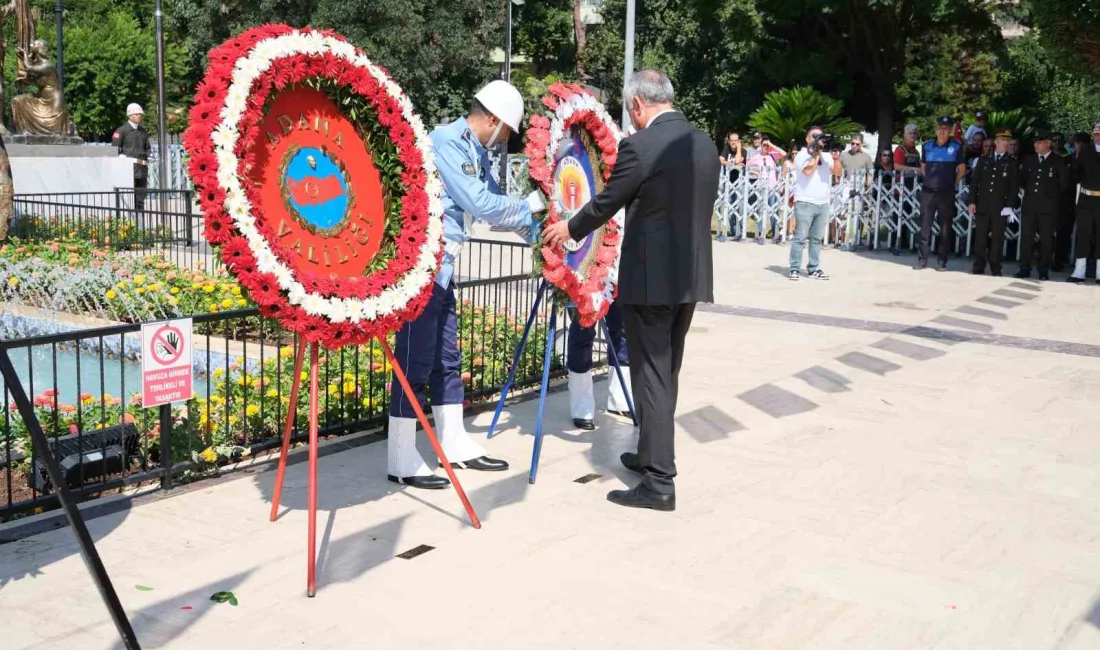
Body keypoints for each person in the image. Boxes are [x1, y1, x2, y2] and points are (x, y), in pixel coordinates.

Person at [543, 69, 718, 512]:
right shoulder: (704, 143)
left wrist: (569, 227)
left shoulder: (640, 145)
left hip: (651, 281)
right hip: (689, 279)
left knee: (651, 377)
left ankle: (659, 483)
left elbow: (606, 202)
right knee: (666, 374)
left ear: (638, 105)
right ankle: (648, 454)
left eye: (631, 111)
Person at [387, 80, 545, 489]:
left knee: (446, 356)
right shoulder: (445, 141)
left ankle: (453, 442)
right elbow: (479, 201)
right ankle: (401, 456)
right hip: (421, 268)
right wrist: (527, 205)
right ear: (492, 119)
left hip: (444, 267)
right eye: (506, 131)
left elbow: (499, 207)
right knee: (414, 360)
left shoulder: (476, 150)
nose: (505, 140)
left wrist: (546, 235)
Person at [567, 303, 632, 430]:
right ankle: (581, 407)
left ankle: (619, 401)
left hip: (615, 284)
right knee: (582, 333)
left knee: (622, 329)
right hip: (584, 285)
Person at [914, 116, 967, 271]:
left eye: (946, 128)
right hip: (928, 192)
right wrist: (930, 179)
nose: (943, 131)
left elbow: (962, 170)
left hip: (946, 193)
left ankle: (942, 261)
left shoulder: (956, 147)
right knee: (924, 226)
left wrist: (951, 183)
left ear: (950, 130)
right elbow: (923, 167)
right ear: (937, 129)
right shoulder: (927, 146)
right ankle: (922, 260)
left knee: (945, 227)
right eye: (941, 128)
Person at [1016, 130, 1069, 281]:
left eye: (1039, 143)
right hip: (1030, 205)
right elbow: (1023, 180)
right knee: (1027, 238)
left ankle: (1043, 269)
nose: (1036, 145)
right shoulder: (1029, 160)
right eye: (1035, 142)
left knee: (1046, 239)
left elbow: (1064, 184)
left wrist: (1051, 196)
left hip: (1048, 207)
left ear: (1048, 144)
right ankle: (1024, 268)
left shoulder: (1058, 161)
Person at [969, 129, 1020, 276]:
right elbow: (974, 183)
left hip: (1000, 206)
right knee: (980, 238)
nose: (1007, 144)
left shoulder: (1011, 162)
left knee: (997, 239)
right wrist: (972, 201)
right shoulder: (984, 159)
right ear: (996, 142)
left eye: (1008, 141)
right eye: (1004, 141)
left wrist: (1009, 206)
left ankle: (995, 267)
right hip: (983, 205)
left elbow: (1013, 187)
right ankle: (978, 266)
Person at [1067, 122, 1100, 283]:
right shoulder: (1086, 151)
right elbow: (1075, 173)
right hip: (1086, 198)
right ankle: (1079, 271)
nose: (1097, 137)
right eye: (1096, 134)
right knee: (1083, 234)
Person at [745, 132, 785, 243]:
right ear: (760, 146)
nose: (766, 147)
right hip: (760, 187)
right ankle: (760, 233)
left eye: (767, 146)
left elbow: (784, 154)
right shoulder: (755, 157)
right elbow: (747, 166)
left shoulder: (772, 155)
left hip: (772, 187)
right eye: (764, 145)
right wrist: (754, 173)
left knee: (773, 211)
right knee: (760, 211)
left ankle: (775, 233)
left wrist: (771, 144)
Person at [112, 104, 151, 213]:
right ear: (130, 115)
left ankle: (140, 223)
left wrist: (149, 156)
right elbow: (114, 148)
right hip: (128, 168)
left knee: (141, 198)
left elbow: (147, 147)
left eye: (140, 114)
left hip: (142, 168)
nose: (139, 116)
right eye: (137, 114)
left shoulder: (143, 131)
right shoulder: (122, 131)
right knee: (129, 198)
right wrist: (121, 157)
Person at [716, 132, 745, 241]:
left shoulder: (743, 151)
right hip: (728, 183)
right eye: (731, 140)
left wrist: (739, 149)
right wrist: (732, 164)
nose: (733, 142)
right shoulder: (726, 149)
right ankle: (732, 231)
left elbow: (738, 160)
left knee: (739, 208)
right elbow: (720, 160)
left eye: (735, 140)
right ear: (729, 141)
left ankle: (740, 232)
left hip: (740, 184)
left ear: (739, 141)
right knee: (729, 208)